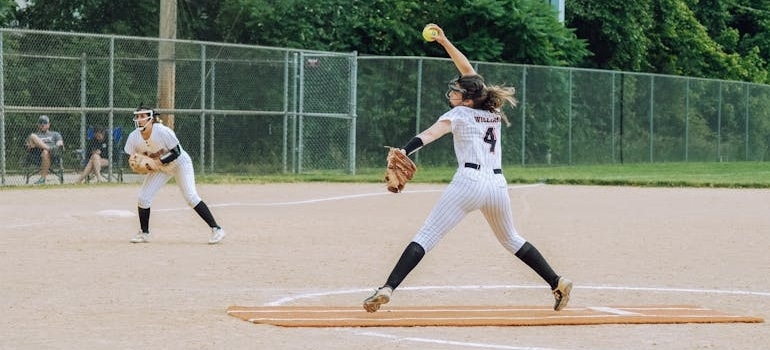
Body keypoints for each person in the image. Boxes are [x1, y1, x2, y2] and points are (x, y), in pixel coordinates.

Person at [362, 24, 572, 313]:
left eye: (457, 91)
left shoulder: (459, 113)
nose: (453, 92)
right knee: (511, 238)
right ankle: (557, 282)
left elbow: (429, 135)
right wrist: (445, 41)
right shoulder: (492, 111)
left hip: (469, 183)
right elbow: (469, 71)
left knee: (426, 236)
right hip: (497, 185)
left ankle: (387, 287)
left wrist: (404, 150)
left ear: (468, 99)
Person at [123, 106, 226, 244]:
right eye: (138, 116)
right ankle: (144, 233)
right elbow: (134, 158)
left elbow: (176, 152)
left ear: (151, 118)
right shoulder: (134, 136)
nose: (140, 119)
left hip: (179, 163)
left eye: (143, 116)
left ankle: (217, 229)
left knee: (191, 197)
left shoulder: (162, 131)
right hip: (160, 168)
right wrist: (137, 164)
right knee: (143, 198)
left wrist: (157, 162)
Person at [25, 115, 64, 185]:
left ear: (49, 124)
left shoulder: (55, 134)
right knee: (32, 136)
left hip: (52, 156)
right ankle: (49, 149)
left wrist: (57, 146)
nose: (42, 125)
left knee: (46, 152)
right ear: (38, 125)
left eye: (45, 123)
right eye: (40, 123)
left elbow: (60, 143)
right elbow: (28, 147)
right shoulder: (35, 135)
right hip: (37, 157)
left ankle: (42, 179)